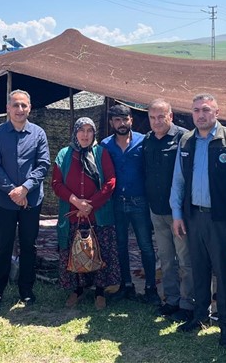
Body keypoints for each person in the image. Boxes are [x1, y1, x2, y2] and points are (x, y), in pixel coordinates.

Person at [170, 93, 226, 344]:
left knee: (224, 273)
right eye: (196, 110)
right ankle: (200, 315)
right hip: (194, 217)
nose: (200, 115)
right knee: (199, 269)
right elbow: (178, 180)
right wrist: (177, 214)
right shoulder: (186, 140)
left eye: (206, 110)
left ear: (217, 112)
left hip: (221, 220)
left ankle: (225, 324)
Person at [0, 90, 51, 307]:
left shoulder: (38, 133)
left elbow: (43, 165)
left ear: (30, 108)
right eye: (16, 105)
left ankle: (26, 289)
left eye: (24, 105)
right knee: (3, 245)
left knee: (28, 245)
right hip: (6, 201)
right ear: (8, 108)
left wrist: (25, 189)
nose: (20, 109)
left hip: (31, 201)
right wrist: (13, 191)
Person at [52, 117, 119, 309]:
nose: (85, 135)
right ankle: (77, 290)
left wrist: (91, 204)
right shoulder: (64, 154)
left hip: (97, 213)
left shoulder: (101, 153)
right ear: (75, 132)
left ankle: (99, 292)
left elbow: (110, 181)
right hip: (72, 213)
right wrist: (76, 202)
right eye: (82, 130)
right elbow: (56, 184)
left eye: (90, 130)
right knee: (75, 251)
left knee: (99, 251)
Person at [100, 104, 158, 303]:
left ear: (131, 120)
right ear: (111, 123)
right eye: (117, 120)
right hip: (117, 202)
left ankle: (151, 289)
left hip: (140, 201)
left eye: (125, 119)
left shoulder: (144, 141)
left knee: (146, 246)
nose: (121, 123)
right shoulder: (105, 145)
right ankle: (126, 286)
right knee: (120, 245)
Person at [143, 98, 194, 321]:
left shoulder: (184, 138)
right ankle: (171, 299)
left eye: (161, 117)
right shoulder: (147, 140)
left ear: (170, 116)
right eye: (152, 118)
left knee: (185, 260)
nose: (157, 122)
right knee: (165, 259)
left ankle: (187, 303)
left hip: (178, 214)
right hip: (156, 210)